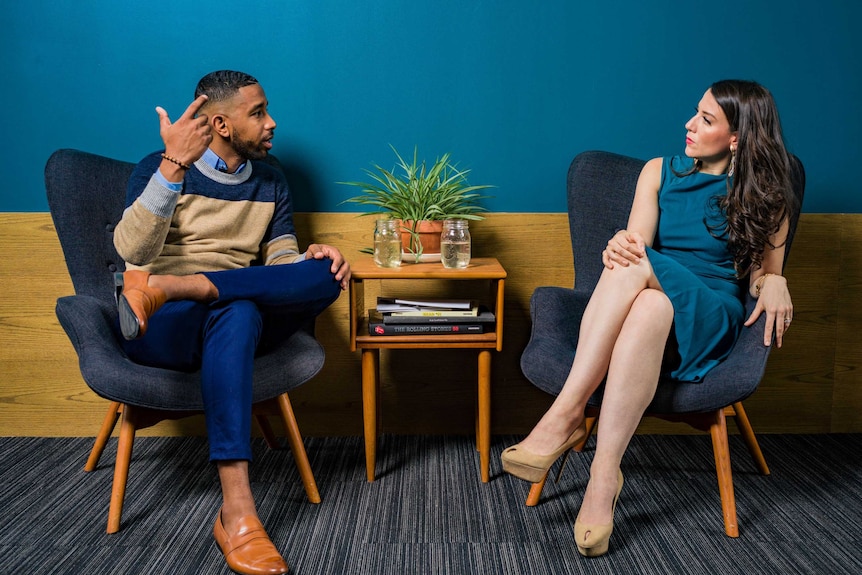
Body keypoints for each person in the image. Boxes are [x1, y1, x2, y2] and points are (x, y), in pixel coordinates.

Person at [501, 80, 797, 557]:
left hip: (711, 310)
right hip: (655, 306)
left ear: (737, 137)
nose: (689, 123)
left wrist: (775, 281)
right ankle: (603, 479)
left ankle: (566, 412)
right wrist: (618, 244)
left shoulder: (768, 195)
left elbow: (762, 277)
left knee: (638, 266)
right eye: (694, 112)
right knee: (647, 295)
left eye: (705, 118)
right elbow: (634, 244)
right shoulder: (658, 172)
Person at [113, 70, 351, 575]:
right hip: (160, 324)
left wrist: (307, 260)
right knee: (239, 308)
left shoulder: (271, 179)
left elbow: (280, 254)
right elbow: (132, 252)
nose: (272, 122)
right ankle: (238, 510)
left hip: (218, 312)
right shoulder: (158, 169)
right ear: (220, 123)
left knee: (327, 276)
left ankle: (183, 285)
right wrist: (173, 167)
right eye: (259, 113)